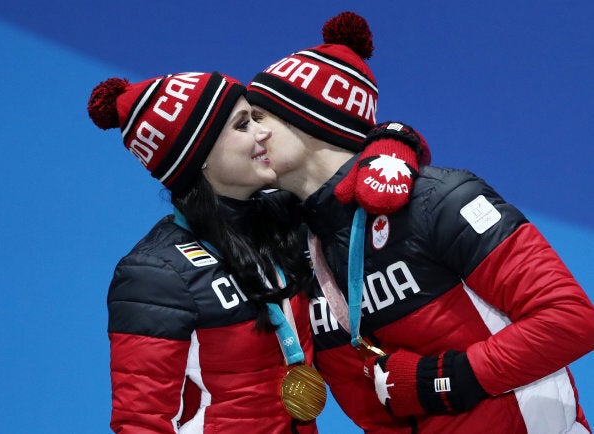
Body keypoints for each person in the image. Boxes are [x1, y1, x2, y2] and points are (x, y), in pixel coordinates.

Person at [246, 11, 594, 434]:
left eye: (258, 118)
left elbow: (570, 319)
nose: (251, 136)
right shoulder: (297, 250)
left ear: (312, 123)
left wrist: (445, 380)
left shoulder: (438, 199)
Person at [87, 71, 326, 433]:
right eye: (242, 125)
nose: (263, 133)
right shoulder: (155, 273)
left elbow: (353, 164)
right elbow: (141, 423)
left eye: (256, 119)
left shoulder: (283, 221)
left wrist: (395, 143)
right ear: (199, 156)